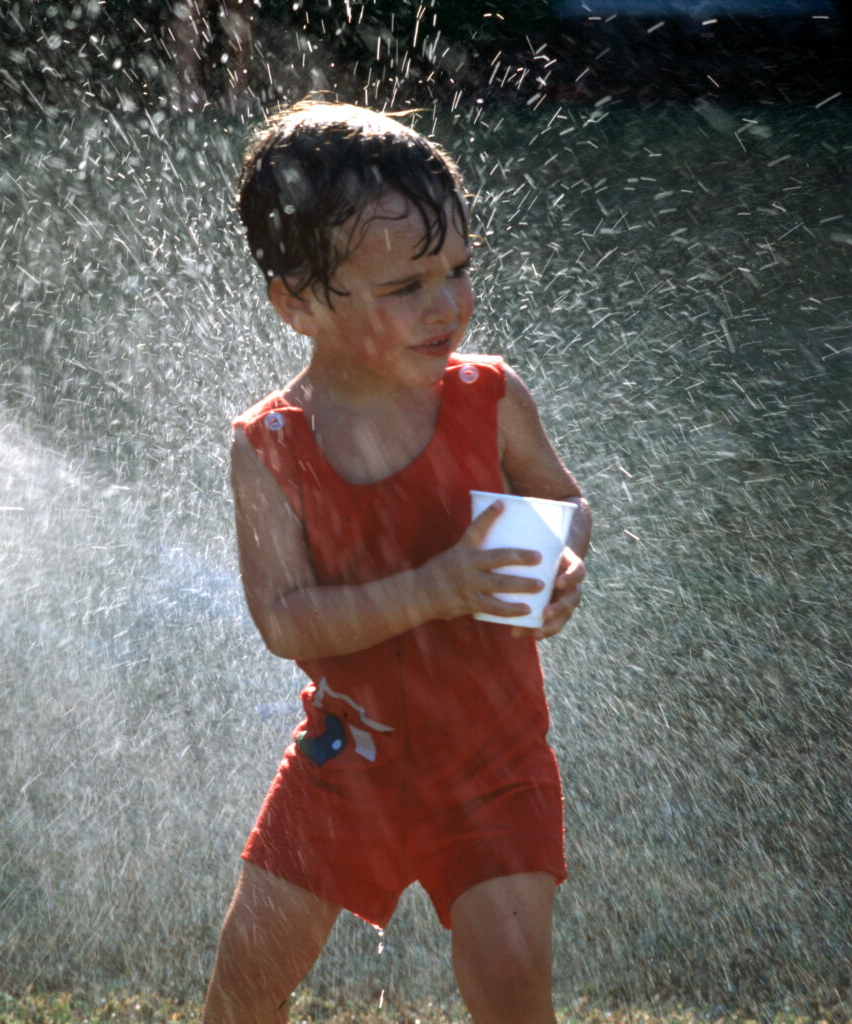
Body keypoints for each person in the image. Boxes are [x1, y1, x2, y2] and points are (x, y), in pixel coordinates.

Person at [203, 99, 591, 1024]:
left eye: (459, 270)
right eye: (408, 286)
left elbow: (564, 504)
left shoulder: (489, 398)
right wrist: (435, 588)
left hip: (491, 757)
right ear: (298, 302)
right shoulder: (271, 449)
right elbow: (284, 618)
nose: (447, 305)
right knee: (249, 980)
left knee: (510, 975)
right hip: (348, 758)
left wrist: (562, 563)